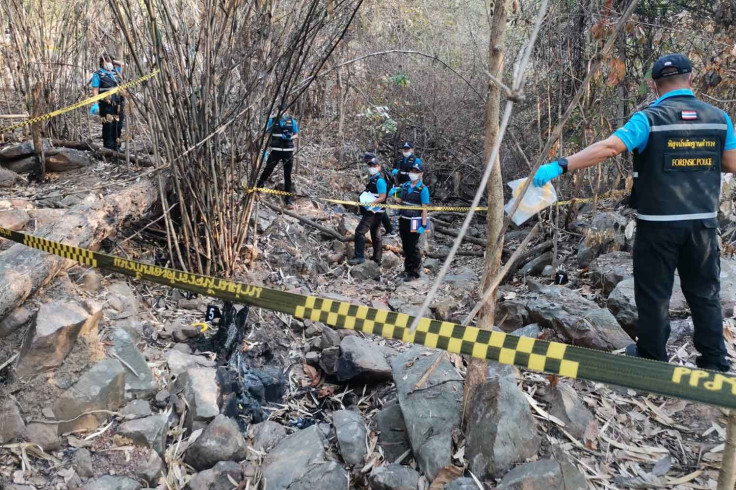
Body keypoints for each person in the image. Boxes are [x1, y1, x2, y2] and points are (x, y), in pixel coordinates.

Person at [533, 53, 736, 372]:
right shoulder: (718, 118)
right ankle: (714, 363)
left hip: (658, 226)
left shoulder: (648, 119)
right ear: (692, 79)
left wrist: (561, 164)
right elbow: (731, 163)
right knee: (704, 293)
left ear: (655, 86)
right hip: (702, 226)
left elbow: (611, 147)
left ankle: (653, 357)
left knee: (654, 293)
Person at [257, 104, 299, 209]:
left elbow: (296, 134)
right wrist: (266, 149)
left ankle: (288, 201)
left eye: (284, 110)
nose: (283, 112)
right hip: (275, 151)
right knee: (268, 170)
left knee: (287, 175)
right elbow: (268, 134)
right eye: (281, 110)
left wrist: (290, 137)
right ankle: (257, 189)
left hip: (288, 151)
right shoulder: (273, 121)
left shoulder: (292, 121)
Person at [349, 155, 387, 266]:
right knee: (375, 234)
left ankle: (359, 257)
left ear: (379, 167)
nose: (372, 167)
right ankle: (377, 258)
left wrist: (370, 204)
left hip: (374, 211)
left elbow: (382, 197)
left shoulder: (380, 181)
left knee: (359, 232)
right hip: (377, 210)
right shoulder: (373, 179)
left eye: (374, 165)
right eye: (370, 165)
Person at [396, 161, 429, 281]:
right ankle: (407, 269)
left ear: (421, 173)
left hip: (415, 220)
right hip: (403, 218)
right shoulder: (405, 186)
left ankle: (414, 272)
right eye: (412, 171)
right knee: (405, 246)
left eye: (416, 172)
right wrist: (393, 196)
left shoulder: (423, 189)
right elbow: (401, 201)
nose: (413, 174)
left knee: (413, 246)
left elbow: (424, 208)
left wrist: (424, 224)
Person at [90, 54, 125, 151]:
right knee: (108, 126)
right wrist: (95, 103)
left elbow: (124, 65)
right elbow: (95, 90)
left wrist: (113, 61)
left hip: (118, 104)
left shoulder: (116, 72)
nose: (108, 63)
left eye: (109, 61)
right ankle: (108, 148)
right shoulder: (97, 74)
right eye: (105, 61)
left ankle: (117, 147)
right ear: (101, 62)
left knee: (119, 125)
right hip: (106, 105)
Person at [364, 151, 396, 237]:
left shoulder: (380, 172)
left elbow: (382, 184)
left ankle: (390, 230)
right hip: (381, 193)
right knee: (382, 211)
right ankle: (389, 230)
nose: (368, 164)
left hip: (382, 193)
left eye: (367, 161)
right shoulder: (377, 170)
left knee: (381, 211)